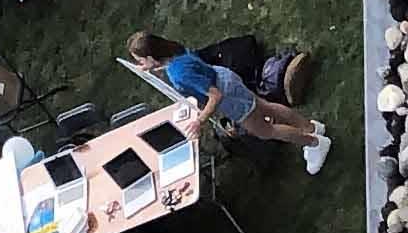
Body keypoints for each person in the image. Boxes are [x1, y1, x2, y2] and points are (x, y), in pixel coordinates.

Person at [127, 31, 329, 170]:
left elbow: (215, 96)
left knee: (265, 131)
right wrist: (151, 68)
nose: (141, 64)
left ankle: (314, 143)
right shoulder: (173, 50)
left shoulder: (178, 75)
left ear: (152, 57)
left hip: (228, 96)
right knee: (266, 107)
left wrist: (200, 121)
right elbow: (184, 68)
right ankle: (310, 127)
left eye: (141, 60)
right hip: (225, 77)